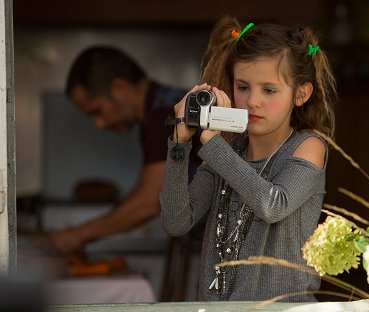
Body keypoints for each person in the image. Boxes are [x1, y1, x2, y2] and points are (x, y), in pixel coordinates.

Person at [160, 16, 336, 302]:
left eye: (269, 90)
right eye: (243, 87)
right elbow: (177, 221)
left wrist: (214, 144)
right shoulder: (227, 151)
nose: (253, 100)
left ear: (301, 94)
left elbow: (273, 204)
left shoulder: (308, 146)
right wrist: (179, 145)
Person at [47, 46, 202, 254]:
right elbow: (143, 190)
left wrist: (77, 235)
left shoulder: (163, 115)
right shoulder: (158, 111)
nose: (99, 125)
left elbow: (149, 202)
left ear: (119, 88)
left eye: (97, 111)